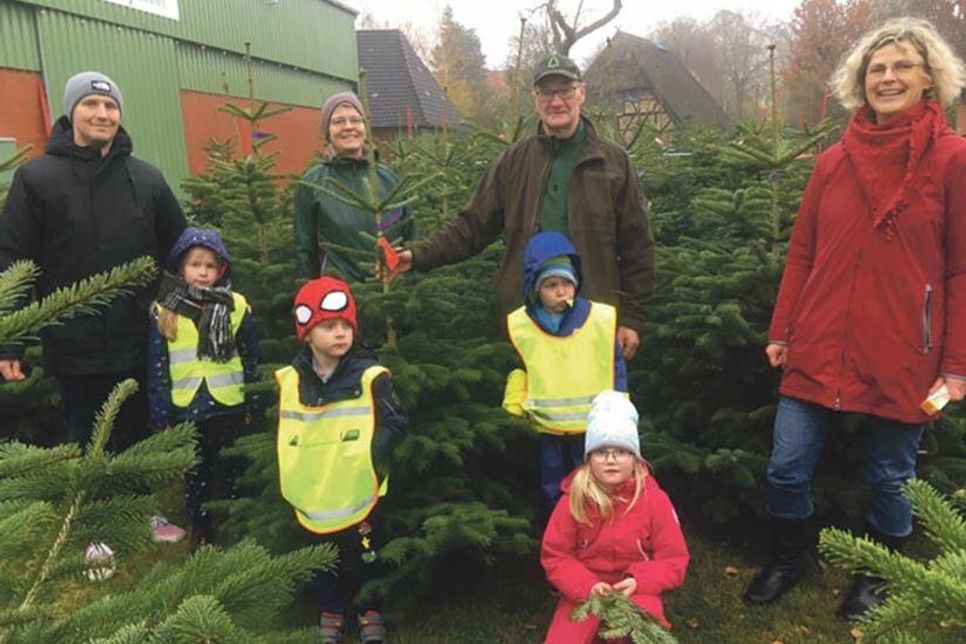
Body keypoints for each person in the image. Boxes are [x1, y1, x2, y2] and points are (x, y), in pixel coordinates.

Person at [743, 18, 966, 620]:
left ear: (929, 79)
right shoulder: (832, 162)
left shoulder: (953, 159)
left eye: (902, 67)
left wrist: (956, 364)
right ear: (860, 81)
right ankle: (789, 558)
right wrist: (782, 329)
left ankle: (878, 574)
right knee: (786, 467)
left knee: (891, 475)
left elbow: (961, 270)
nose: (887, 77)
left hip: (906, 349)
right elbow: (803, 253)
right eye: (876, 69)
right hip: (819, 342)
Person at [390, 54, 654, 361]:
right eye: (546, 92)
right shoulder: (513, 162)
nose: (556, 101)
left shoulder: (614, 163)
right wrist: (416, 255)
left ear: (581, 92)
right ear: (535, 99)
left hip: (591, 317)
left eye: (565, 90)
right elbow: (471, 227)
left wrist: (632, 318)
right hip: (525, 319)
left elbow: (638, 245)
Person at [0, 71, 186, 449]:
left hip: (139, 343)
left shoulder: (147, 179)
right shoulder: (37, 179)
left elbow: (182, 251)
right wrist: (10, 342)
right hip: (71, 348)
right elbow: (13, 258)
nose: (102, 113)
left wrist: (172, 308)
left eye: (110, 106)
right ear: (72, 112)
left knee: (140, 444)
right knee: (85, 445)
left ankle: (141, 491)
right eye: (91, 104)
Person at [276, 277, 408, 644]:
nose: (340, 334)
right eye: (329, 327)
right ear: (307, 334)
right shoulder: (292, 381)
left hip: (359, 493)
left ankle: (370, 611)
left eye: (345, 326)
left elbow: (396, 422)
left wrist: (370, 457)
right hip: (314, 495)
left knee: (367, 553)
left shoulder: (370, 376)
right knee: (323, 559)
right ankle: (331, 611)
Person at [541, 390, 689, 642]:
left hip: (634, 588)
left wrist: (639, 581)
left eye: (621, 452)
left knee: (645, 636)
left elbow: (674, 560)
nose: (611, 460)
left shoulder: (655, 500)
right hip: (585, 588)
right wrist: (586, 585)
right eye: (601, 452)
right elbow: (556, 555)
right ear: (589, 458)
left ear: (635, 458)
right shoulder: (572, 499)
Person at [502, 231, 626, 525]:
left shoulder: (598, 319)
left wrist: (620, 411)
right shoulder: (522, 324)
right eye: (551, 285)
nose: (561, 292)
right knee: (554, 486)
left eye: (567, 283)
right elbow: (520, 366)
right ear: (535, 287)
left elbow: (615, 365)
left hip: (594, 427)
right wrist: (514, 401)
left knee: (594, 482)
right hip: (548, 428)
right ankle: (561, 532)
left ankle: (597, 533)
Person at [147, 227, 259, 546]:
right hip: (188, 404)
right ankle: (201, 528)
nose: (203, 272)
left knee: (230, 465)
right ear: (182, 268)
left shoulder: (235, 306)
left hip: (228, 402)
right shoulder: (165, 309)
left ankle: (233, 523)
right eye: (195, 265)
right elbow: (157, 366)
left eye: (210, 266)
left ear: (220, 270)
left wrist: (253, 399)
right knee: (196, 469)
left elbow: (251, 356)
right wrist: (161, 412)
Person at [294, 91, 417, 283]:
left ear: (364, 127)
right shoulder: (312, 183)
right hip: (340, 295)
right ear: (327, 131)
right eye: (338, 121)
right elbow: (305, 250)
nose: (348, 127)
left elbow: (411, 234)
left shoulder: (389, 178)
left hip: (392, 290)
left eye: (355, 120)